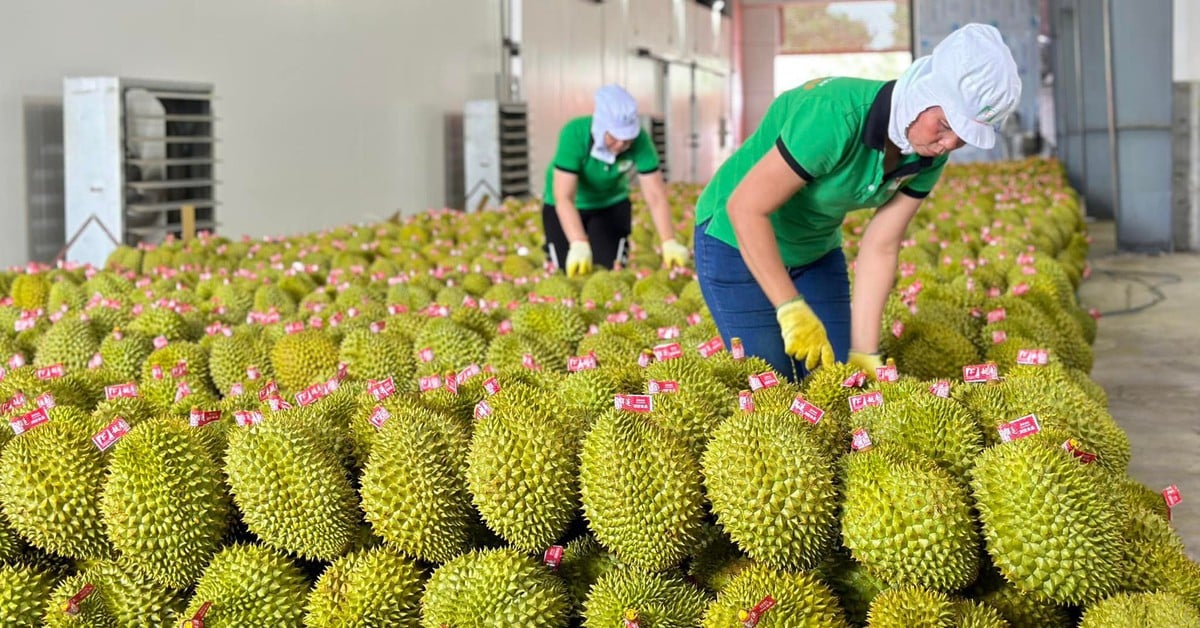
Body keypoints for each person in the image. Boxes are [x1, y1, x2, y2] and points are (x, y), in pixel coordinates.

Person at [693, 23, 1022, 382]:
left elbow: (881, 246)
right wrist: (790, 308)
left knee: (840, 377)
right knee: (771, 384)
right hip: (735, 238)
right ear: (922, 92)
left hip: (814, 250)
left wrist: (865, 351)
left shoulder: (928, 156)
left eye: (962, 137)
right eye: (944, 124)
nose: (948, 144)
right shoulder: (834, 115)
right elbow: (745, 208)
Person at [542, 84, 690, 276]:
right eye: (614, 137)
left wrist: (668, 241)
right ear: (600, 126)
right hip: (566, 203)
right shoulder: (575, 134)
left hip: (610, 203)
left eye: (627, 138)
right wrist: (578, 242)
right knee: (566, 269)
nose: (621, 144)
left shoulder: (640, 141)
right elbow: (564, 196)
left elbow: (655, 196)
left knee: (610, 268)